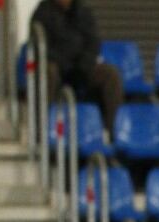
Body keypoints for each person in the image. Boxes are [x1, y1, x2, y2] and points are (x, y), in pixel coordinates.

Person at [31, 0, 123, 131]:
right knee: (48, 72)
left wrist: (83, 65)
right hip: (57, 67)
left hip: (81, 68)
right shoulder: (42, 13)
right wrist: (65, 63)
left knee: (111, 74)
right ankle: (43, 130)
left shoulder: (83, 12)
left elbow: (93, 43)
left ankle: (113, 131)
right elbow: (39, 47)